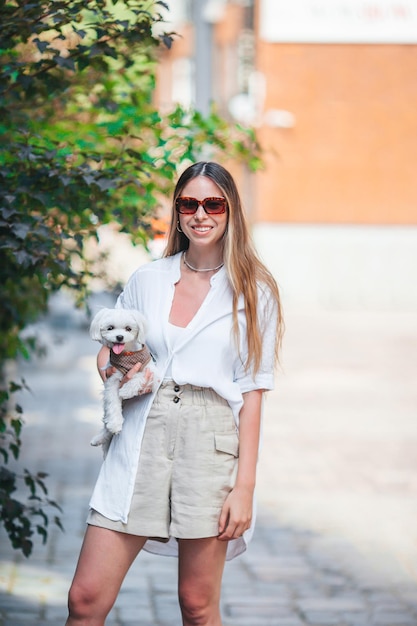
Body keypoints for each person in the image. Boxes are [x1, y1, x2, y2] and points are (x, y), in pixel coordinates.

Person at [66, 161, 283, 626]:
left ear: (230, 211)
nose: (200, 214)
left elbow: (253, 392)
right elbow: (109, 349)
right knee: (84, 600)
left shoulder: (254, 290)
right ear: (178, 211)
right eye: (189, 203)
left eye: (213, 204)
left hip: (210, 441)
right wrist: (112, 368)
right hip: (142, 429)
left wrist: (244, 487)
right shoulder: (148, 279)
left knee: (197, 606)